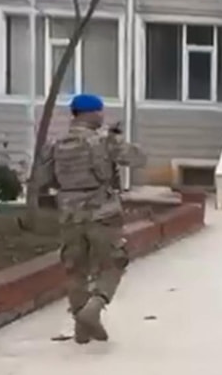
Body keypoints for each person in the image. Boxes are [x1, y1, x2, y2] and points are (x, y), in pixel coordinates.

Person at [34, 93, 146, 344]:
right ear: (93, 113)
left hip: (69, 215)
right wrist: (117, 138)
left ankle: (81, 328)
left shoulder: (55, 144)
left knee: (75, 269)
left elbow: (44, 180)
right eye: (100, 111)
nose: (102, 115)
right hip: (102, 213)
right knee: (114, 263)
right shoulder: (104, 141)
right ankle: (94, 308)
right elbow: (138, 159)